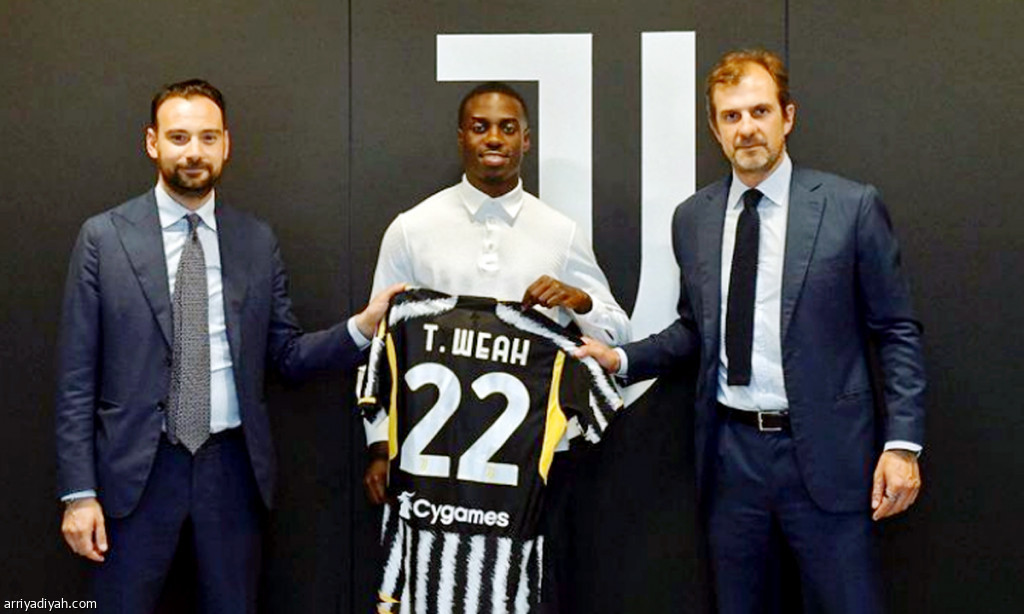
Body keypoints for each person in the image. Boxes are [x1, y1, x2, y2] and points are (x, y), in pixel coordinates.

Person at [577, 49, 925, 613]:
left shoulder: (850, 207)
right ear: (715, 129)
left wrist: (902, 446)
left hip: (829, 456)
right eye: (731, 116)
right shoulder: (693, 218)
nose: (747, 129)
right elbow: (697, 331)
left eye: (760, 111)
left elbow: (896, 329)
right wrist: (621, 360)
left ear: (788, 116)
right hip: (731, 459)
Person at [56, 79, 403, 614]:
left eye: (207, 137)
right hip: (135, 475)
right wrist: (79, 494)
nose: (193, 151)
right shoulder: (103, 238)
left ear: (226, 144)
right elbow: (76, 380)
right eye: (178, 137)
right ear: (152, 142)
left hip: (232, 472)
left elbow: (286, 356)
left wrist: (361, 326)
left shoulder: (255, 241)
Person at [359, 82, 631, 611]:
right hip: (431, 460)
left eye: (508, 128)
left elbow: (618, 333)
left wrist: (580, 302)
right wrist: (378, 444)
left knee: (522, 592)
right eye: (480, 127)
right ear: (461, 136)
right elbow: (381, 346)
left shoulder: (559, 232)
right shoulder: (412, 229)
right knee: (434, 589)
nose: (494, 138)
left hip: (531, 462)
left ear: (526, 140)